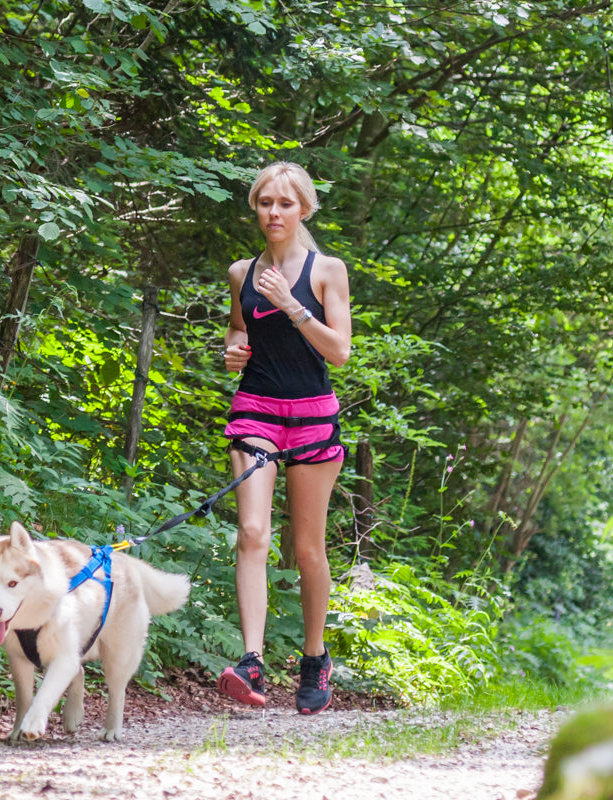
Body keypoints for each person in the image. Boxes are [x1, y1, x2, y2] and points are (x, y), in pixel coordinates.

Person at [215, 161, 352, 715]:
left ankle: (315, 657)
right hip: (256, 412)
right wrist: (232, 351)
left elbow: (339, 352)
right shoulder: (241, 272)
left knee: (306, 549)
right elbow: (238, 330)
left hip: (313, 419)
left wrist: (294, 306)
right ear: (255, 208)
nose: (274, 212)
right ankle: (250, 660)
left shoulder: (327, 270)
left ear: (305, 209)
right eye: (265, 203)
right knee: (252, 531)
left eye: (285, 204)